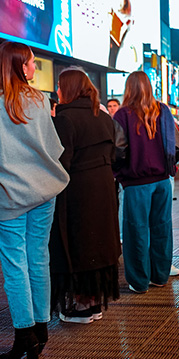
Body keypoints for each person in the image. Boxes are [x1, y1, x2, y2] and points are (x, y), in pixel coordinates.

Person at [0, 41, 69, 359]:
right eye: (29, 63)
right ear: (18, 66)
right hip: (44, 191)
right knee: (39, 257)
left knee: (15, 264)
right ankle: (41, 328)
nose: (33, 68)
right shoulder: (41, 102)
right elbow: (54, 149)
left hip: (9, 196)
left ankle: (23, 334)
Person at [50, 68, 122, 324]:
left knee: (78, 244)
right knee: (98, 244)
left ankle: (80, 306)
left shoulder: (64, 118)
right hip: (103, 188)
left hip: (77, 191)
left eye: (59, 86)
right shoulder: (102, 116)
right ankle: (93, 303)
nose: (57, 91)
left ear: (67, 88)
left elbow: (61, 161)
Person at [113, 71, 178, 294]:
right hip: (162, 182)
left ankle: (139, 281)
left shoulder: (122, 115)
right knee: (162, 228)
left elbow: (118, 150)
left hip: (136, 183)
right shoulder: (163, 111)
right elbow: (177, 146)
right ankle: (159, 276)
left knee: (136, 232)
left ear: (128, 88)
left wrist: (121, 175)